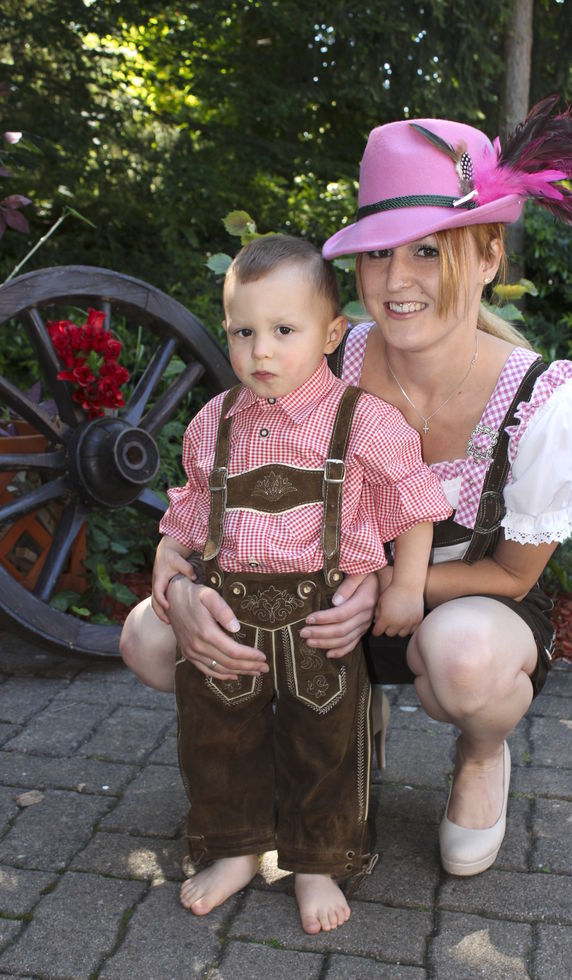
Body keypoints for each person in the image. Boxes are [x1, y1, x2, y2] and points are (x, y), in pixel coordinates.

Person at [121, 97, 572, 887]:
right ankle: (312, 731)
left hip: (459, 604)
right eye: (375, 255)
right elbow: (220, 484)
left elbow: (512, 576)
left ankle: (480, 753)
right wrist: (182, 582)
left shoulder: (544, 408)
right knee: (149, 638)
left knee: (466, 660)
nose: (396, 282)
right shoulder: (314, 353)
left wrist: (386, 582)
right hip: (312, 607)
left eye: (428, 251)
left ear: (488, 257)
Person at [121, 234, 452, 933]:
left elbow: (414, 502)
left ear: (331, 334)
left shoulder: (363, 421)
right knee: (218, 739)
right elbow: (192, 507)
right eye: (243, 332)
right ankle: (234, 849)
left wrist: (404, 588)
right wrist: (169, 553)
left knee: (322, 743)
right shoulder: (214, 423)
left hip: (320, 618)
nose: (260, 352)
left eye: (283, 331)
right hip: (230, 613)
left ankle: (318, 861)